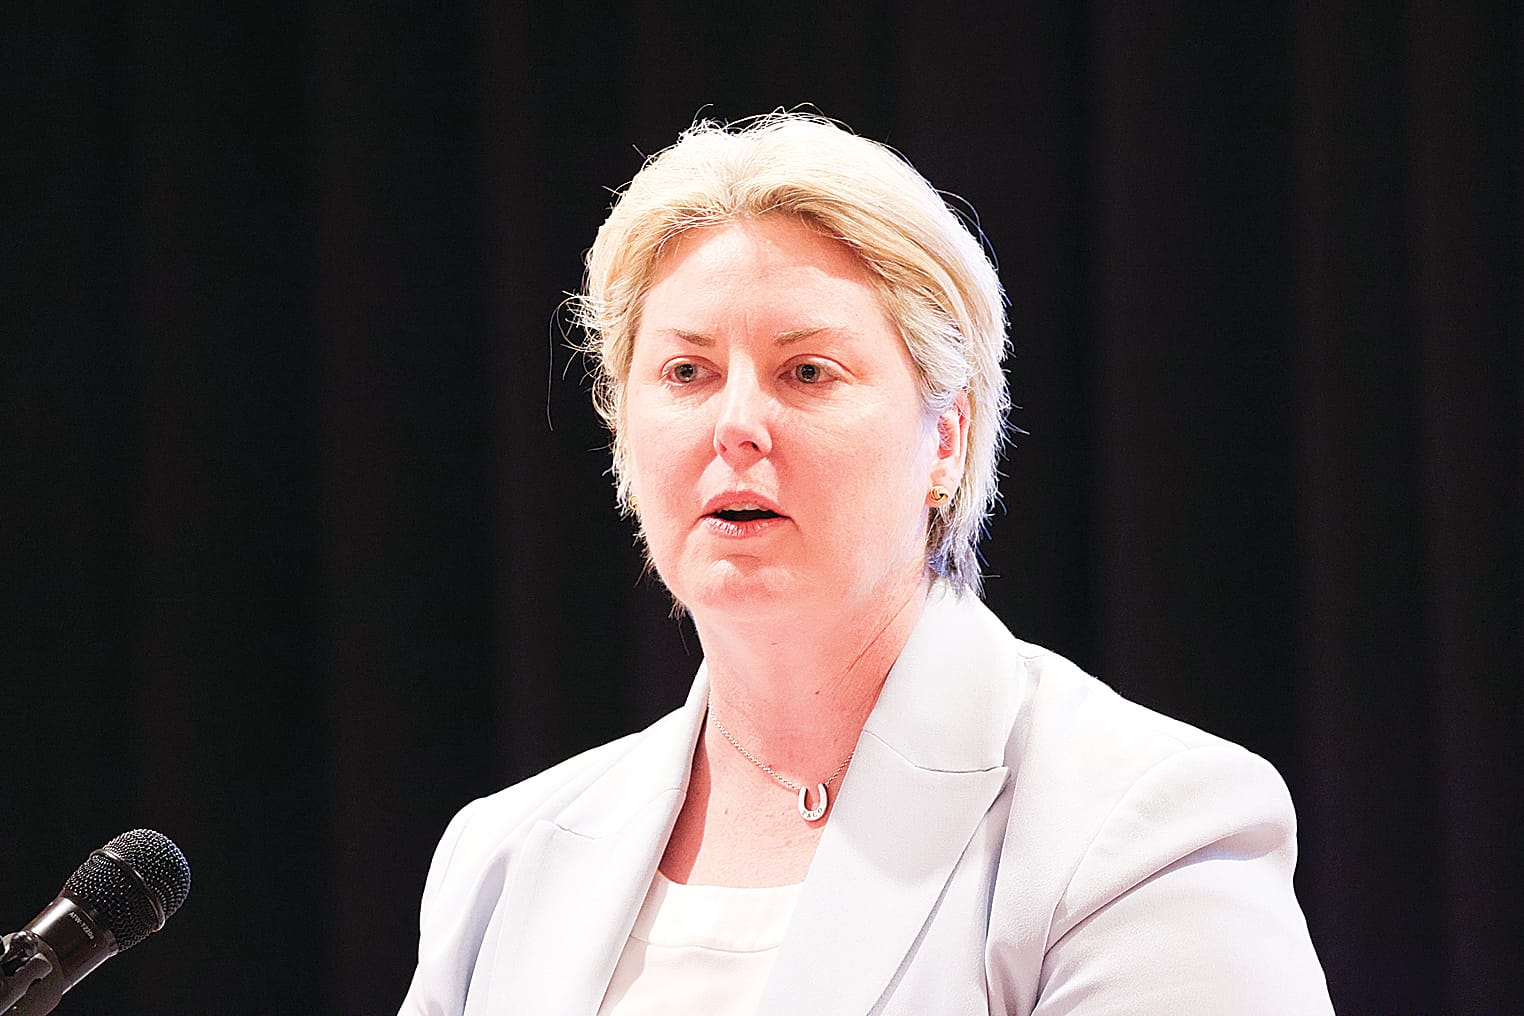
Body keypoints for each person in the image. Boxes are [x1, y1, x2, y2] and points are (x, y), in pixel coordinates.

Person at [398, 113, 1333, 1015]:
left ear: (947, 441)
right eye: (686, 373)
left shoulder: (1147, 828)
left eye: (807, 372)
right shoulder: (503, 858)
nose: (736, 426)